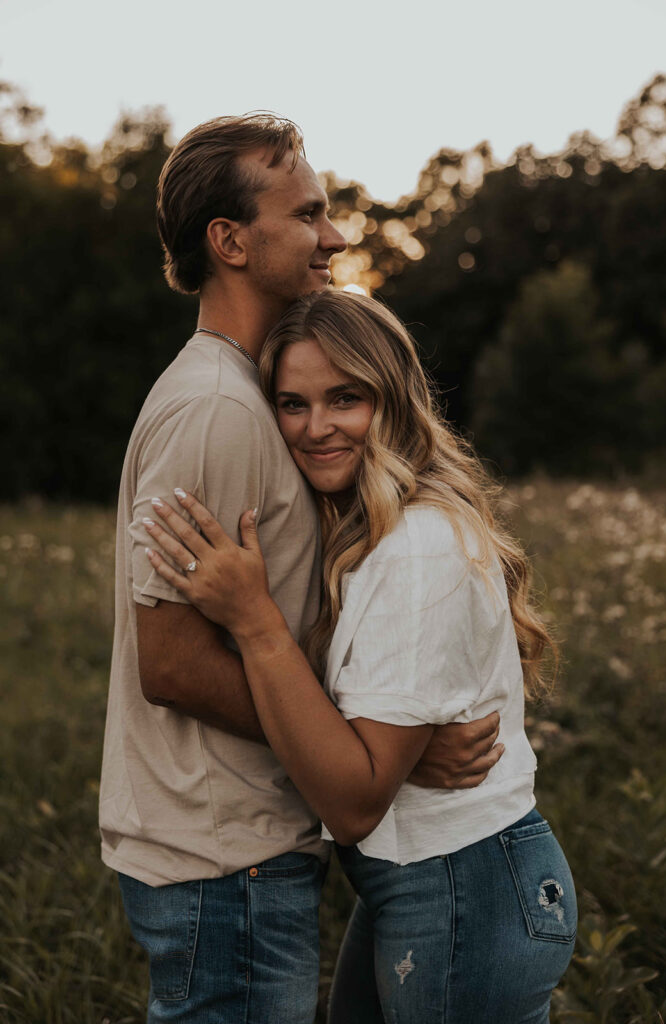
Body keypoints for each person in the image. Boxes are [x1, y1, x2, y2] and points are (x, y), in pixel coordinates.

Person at [99, 114, 505, 1024]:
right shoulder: (217, 411)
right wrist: (380, 755)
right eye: (308, 215)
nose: (332, 236)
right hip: (221, 857)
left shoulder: (248, 395)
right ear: (230, 241)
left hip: (242, 852)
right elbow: (170, 662)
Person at [144, 289, 577, 1024]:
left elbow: (351, 802)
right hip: (425, 886)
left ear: (395, 399)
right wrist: (411, 750)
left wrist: (254, 623)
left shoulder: (418, 547)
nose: (316, 429)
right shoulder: (369, 535)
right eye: (292, 403)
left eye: (345, 398)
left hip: (463, 888)